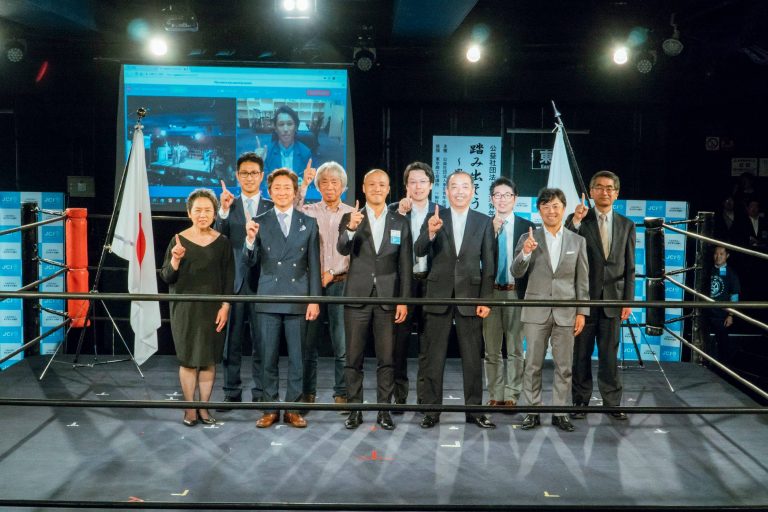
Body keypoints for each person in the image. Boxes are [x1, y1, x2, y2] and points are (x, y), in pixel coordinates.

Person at [414, 170, 496, 429]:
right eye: (454, 187)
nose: (460, 191)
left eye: (465, 186)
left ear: (473, 191)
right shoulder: (435, 217)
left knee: (472, 358)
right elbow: (418, 250)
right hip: (438, 295)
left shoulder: (484, 221)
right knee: (433, 356)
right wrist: (430, 232)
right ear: (446, 191)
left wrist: (486, 300)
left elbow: (489, 265)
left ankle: (474, 411)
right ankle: (431, 411)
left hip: (470, 296)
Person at [244, 168, 321, 428]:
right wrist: (250, 240)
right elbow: (249, 262)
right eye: (277, 187)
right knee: (268, 356)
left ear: (295, 191)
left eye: (287, 187)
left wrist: (314, 300)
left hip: (298, 296)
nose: (282, 192)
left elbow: (314, 264)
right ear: (269, 191)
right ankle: (270, 408)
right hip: (268, 297)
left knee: (297, 358)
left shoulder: (308, 222)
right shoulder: (259, 221)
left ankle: (293, 408)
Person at [337, 169, 412, 430]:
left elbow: (405, 265)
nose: (377, 188)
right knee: (353, 358)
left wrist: (403, 301)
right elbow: (342, 248)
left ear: (389, 189)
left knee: (387, 358)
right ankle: (354, 410)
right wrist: (350, 228)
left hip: (388, 298)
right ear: (363, 187)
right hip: (357, 296)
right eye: (372, 184)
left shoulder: (400, 221)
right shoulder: (351, 217)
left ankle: (384, 411)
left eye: (382, 184)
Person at [512, 188, 589, 432]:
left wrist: (582, 312)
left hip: (566, 312)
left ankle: (560, 412)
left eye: (555, 206)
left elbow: (582, 281)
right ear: (539, 210)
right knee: (532, 365)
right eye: (545, 206)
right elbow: (516, 272)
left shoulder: (577, 241)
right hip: (536, 311)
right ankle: (532, 411)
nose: (551, 211)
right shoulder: (528, 238)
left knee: (564, 366)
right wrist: (526, 252)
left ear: (563, 209)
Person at [160, 189, 235, 427]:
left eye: (208, 210)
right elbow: (166, 276)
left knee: (208, 359)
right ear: (189, 213)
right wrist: (175, 259)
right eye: (198, 210)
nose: (203, 215)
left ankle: (204, 407)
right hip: (185, 308)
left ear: (215, 213)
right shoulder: (178, 240)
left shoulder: (223, 242)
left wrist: (225, 306)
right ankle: (190, 408)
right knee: (188, 359)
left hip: (213, 309)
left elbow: (229, 278)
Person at [565, 171, 635, 421]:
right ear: (591, 192)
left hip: (613, 301)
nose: (605, 192)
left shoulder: (627, 225)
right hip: (584, 301)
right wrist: (575, 219)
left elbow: (630, 267)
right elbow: (566, 244)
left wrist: (628, 300)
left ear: (616, 193)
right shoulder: (579, 219)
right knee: (580, 355)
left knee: (609, 357)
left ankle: (612, 403)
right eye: (599, 187)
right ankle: (580, 402)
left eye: (609, 188)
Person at [215, 152, 273, 407]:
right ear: (237, 176)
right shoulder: (229, 204)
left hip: (264, 283)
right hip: (235, 282)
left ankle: (261, 391)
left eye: (254, 173)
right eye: (244, 173)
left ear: (261, 176)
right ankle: (231, 390)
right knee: (232, 341)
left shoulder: (272, 206)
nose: (249, 178)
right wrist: (223, 211)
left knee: (263, 342)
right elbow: (218, 239)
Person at [300, 161, 355, 411]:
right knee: (308, 343)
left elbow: (354, 252)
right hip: (312, 285)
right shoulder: (309, 210)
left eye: (335, 182)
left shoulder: (352, 213)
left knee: (341, 343)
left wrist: (332, 273)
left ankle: (341, 393)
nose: (330, 186)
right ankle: (307, 392)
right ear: (318, 186)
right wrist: (303, 184)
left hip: (341, 283)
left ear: (343, 186)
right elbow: (290, 213)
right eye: (324, 182)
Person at [388, 161, 442, 410]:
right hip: (402, 284)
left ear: (431, 185)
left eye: (422, 182)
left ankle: (424, 397)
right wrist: (399, 215)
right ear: (406, 186)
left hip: (431, 283)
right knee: (398, 344)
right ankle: (399, 395)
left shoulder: (442, 213)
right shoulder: (394, 211)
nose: (418, 186)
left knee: (428, 344)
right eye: (413, 182)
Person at [482, 177, 535, 410]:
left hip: (516, 293)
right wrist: (492, 234)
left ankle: (512, 394)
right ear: (491, 199)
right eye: (497, 195)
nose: (502, 199)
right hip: (491, 294)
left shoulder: (527, 227)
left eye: (507, 195)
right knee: (491, 349)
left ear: (515, 198)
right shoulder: (483, 225)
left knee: (515, 349)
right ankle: (495, 393)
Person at [261, 105, 313, 196]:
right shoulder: (267, 153)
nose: (285, 129)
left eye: (289, 124)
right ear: (275, 128)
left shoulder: (305, 152)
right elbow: (263, 184)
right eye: (281, 124)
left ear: (296, 127)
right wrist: (258, 163)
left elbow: (309, 183)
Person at [703, 245, 740, 364]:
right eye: (716, 254)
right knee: (705, 343)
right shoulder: (708, 271)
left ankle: (723, 369)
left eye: (721, 254)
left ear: (727, 256)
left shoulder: (731, 273)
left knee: (723, 345)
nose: (718, 257)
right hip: (707, 313)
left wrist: (731, 315)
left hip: (722, 316)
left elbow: (734, 296)